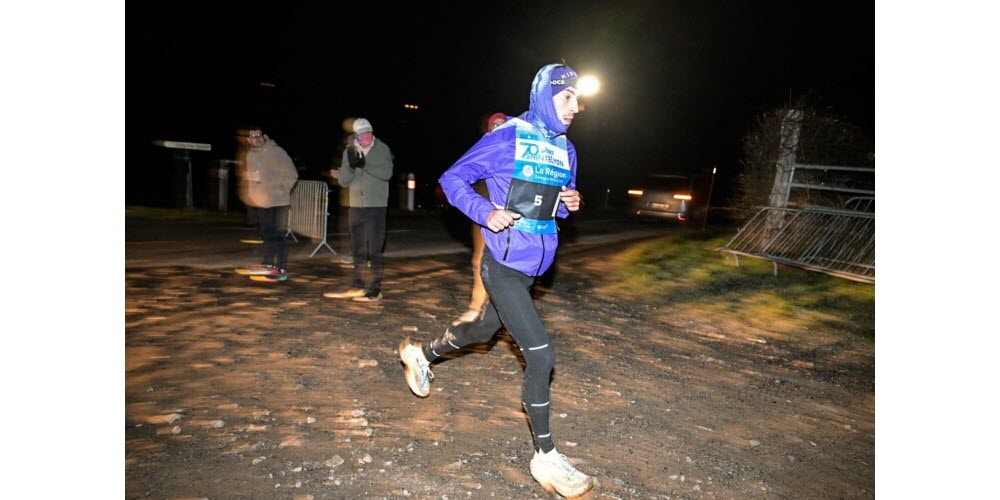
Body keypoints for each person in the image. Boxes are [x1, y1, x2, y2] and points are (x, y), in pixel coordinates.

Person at [398, 64, 593, 497]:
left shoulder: (566, 149)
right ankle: (545, 457)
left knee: (484, 329)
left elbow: (557, 203)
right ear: (546, 96)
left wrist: (569, 202)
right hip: (502, 265)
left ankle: (421, 355)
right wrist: (486, 212)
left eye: (579, 99)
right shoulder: (508, 137)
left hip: (531, 270)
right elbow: (452, 179)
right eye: (568, 98)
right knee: (541, 355)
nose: (576, 107)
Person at [324, 118, 394, 302]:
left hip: (376, 207)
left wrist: (365, 165)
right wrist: (345, 172)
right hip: (355, 206)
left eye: (370, 133)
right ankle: (358, 285)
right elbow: (344, 182)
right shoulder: (350, 150)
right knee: (358, 249)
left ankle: (375, 289)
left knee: (375, 250)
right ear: (356, 135)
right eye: (363, 134)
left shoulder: (382, 149)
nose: (368, 137)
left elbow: (386, 174)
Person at [452, 112, 508, 326]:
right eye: (495, 124)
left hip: (509, 217)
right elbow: (461, 177)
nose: (499, 127)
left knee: (506, 265)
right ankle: (475, 308)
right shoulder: (482, 149)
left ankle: (503, 311)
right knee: (478, 261)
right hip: (483, 214)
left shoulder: (516, 150)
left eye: (503, 124)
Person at [234, 126, 298, 282]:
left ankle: (281, 268)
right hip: (263, 202)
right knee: (266, 233)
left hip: (279, 201)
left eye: (259, 135)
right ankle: (268, 263)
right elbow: (252, 177)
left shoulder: (276, 151)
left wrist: (281, 189)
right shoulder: (250, 155)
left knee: (279, 236)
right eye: (253, 136)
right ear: (249, 140)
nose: (257, 138)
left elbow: (292, 174)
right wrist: (252, 194)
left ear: (264, 135)